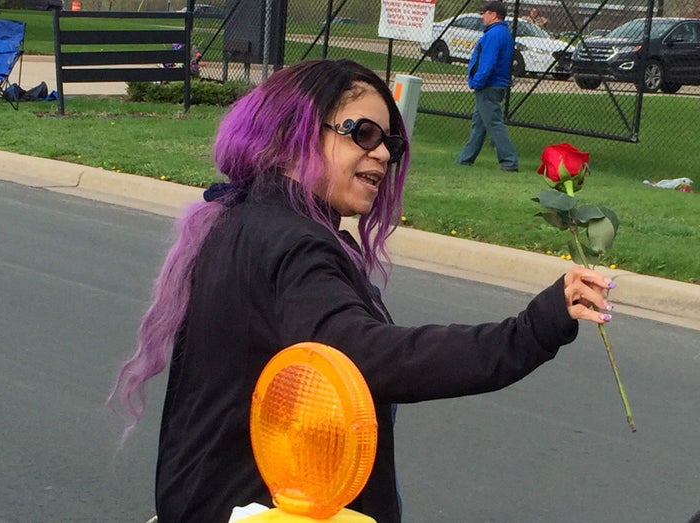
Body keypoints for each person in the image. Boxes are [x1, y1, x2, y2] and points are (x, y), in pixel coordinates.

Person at [108, 58, 616, 523]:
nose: (382, 154)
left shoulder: (242, 220)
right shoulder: (294, 242)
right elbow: (364, 357)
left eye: (391, 144)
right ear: (294, 132)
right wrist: (534, 328)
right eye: (363, 133)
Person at [457, 1, 519, 172]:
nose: (482, 16)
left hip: (489, 86)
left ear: (493, 14)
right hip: (494, 85)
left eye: (484, 13)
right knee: (479, 124)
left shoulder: (494, 34)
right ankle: (464, 159)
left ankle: (509, 161)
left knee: (494, 123)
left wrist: (477, 81)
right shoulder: (503, 33)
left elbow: (488, 63)